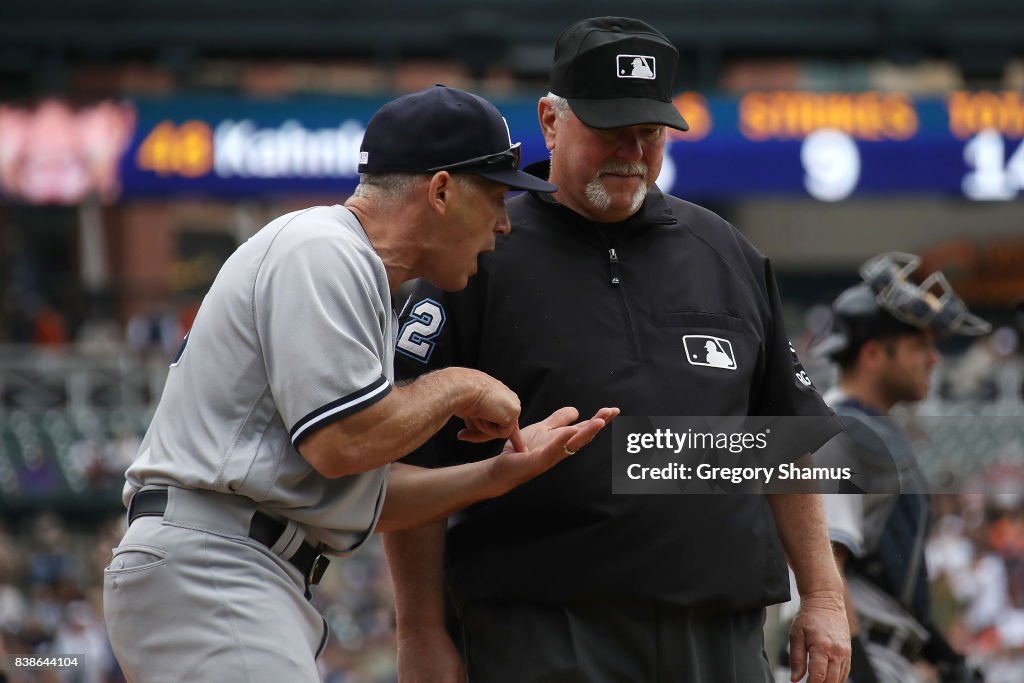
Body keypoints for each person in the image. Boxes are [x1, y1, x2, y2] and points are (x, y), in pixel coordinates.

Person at [386, 17, 851, 683]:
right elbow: (413, 455)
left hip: (718, 633)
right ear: (550, 121)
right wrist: (420, 630)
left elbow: (781, 438)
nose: (632, 151)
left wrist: (825, 595)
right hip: (544, 632)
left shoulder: (725, 251)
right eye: (610, 129)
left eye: (650, 132)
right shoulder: (480, 249)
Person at [102, 84, 618, 683]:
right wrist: (456, 384)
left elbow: (357, 496)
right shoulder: (323, 249)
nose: (505, 224)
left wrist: (497, 474)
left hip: (229, 564)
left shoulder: (351, 269)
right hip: (216, 563)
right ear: (442, 191)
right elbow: (343, 444)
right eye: (498, 197)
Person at [810, 252, 989, 683]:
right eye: (919, 346)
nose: (934, 359)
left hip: (872, 651)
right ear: (873, 354)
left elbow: (885, 579)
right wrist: (860, 670)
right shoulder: (843, 432)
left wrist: (944, 657)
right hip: (845, 657)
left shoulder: (866, 427)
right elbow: (822, 564)